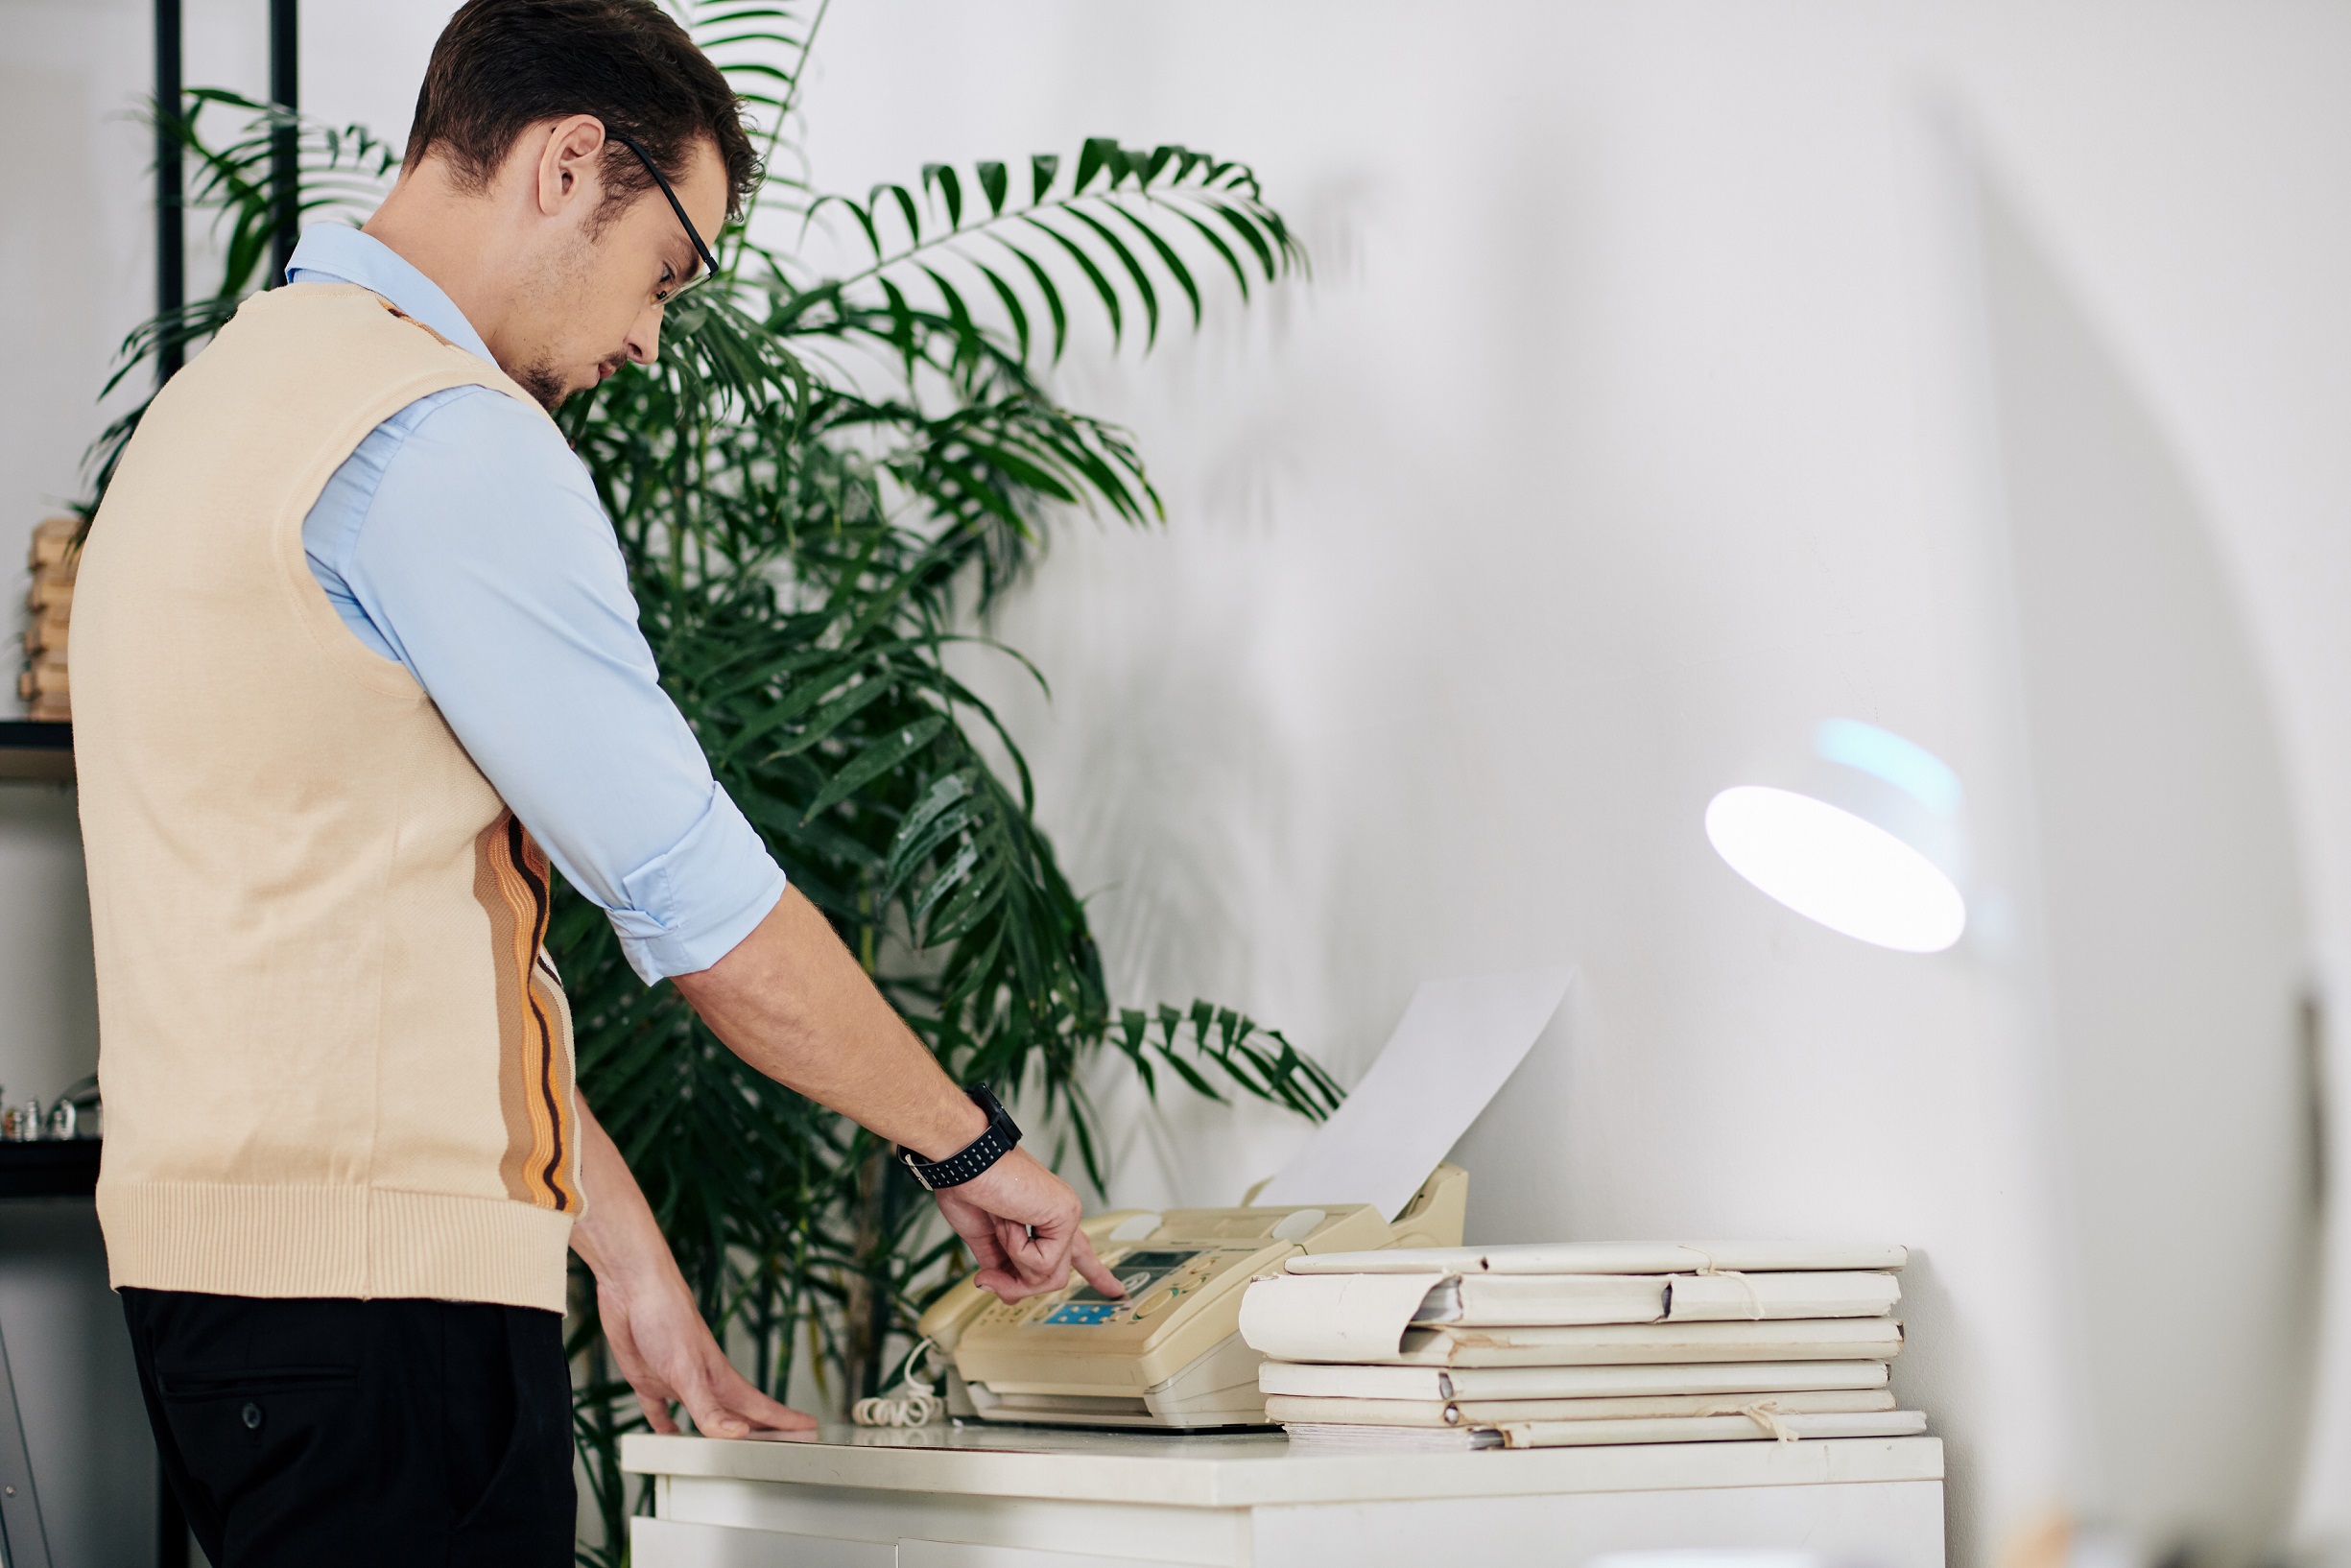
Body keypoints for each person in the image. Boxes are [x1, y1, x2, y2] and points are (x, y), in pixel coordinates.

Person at [70, 1, 1121, 1561]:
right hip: (379, 1318)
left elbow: (370, 933)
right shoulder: (438, 435)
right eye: (671, 268)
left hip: (235, 1295)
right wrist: (965, 1145)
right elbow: (695, 902)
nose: (648, 338)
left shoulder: (221, 404)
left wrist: (619, 1255)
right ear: (571, 163)